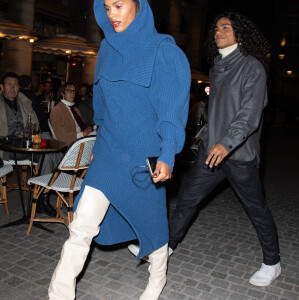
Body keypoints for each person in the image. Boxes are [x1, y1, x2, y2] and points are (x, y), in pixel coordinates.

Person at [48, 1, 190, 299]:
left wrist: (167, 154)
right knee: (81, 224)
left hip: (143, 157)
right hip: (109, 151)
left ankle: (157, 279)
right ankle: (58, 294)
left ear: (139, 5)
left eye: (118, 5)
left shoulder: (162, 51)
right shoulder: (107, 49)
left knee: (151, 223)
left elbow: (171, 111)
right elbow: (100, 106)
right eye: (107, 7)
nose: (111, 14)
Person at [167, 11, 281, 287]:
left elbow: (250, 113)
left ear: (239, 34)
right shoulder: (218, 65)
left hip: (239, 155)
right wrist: (208, 139)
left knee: (256, 209)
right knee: (187, 199)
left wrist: (227, 141)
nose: (217, 32)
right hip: (212, 152)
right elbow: (218, 112)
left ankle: (272, 262)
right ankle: (165, 246)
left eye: (225, 27)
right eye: (216, 28)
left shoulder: (252, 67)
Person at [0, 72, 58, 216]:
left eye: (16, 85)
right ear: (1, 87)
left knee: (49, 155)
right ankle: (44, 192)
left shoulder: (24, 101)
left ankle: (40, 198)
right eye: (9, 84)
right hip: (5, 148)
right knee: (49, 156)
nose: (13, 88)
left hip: (25, 145)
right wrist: (11, 135)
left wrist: (28, 132)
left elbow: (36, 125)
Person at [50, 82, 96, 146]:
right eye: (69, 91)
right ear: (62, 94)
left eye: (74, 91)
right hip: (70, 144)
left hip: (80, 140)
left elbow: (82, 126)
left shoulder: (75, 109)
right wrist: (82, 134)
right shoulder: (57, 110)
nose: (72, 93)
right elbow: (60, 135)